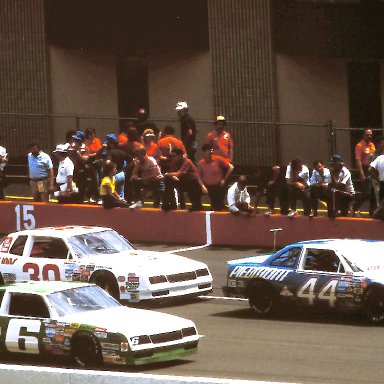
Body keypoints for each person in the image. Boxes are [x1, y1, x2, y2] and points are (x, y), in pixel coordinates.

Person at [162, 147, 206, 211]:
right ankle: (171, 203)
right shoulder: (174, 162)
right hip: (183, 182)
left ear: (180, 156)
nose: (172, 158)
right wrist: (171, 176)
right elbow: (173, 174)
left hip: (194, 184)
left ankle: (197, 205)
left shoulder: (187, 161)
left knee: (192, 184)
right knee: (168, 180)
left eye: (174, 156)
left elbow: (180, 173)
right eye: (171, 156)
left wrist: (167, 174)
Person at [198, 144, 233, 211]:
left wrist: (224, 179)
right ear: (204, 153)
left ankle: (220, 205)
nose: (211, 155)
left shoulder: (217, 159)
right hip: (208, 186)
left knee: (218, 204)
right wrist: (202, 186)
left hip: (218, 185)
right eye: (209, 153)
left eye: (211, 153)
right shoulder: (201, 164)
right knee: (215, 204)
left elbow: (231, 167)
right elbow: (198, 176)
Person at [351, 128, 376, 217]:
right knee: (366, 192)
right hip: (364, 170)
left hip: (372, 169)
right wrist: (361, 173)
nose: (369, 136)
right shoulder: (359, 145)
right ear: (364, 135)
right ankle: (355, 207)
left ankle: (372, 211)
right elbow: (358, 160)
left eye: (370, 134)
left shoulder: (372, 145)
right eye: (367, 134)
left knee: (373, 191)